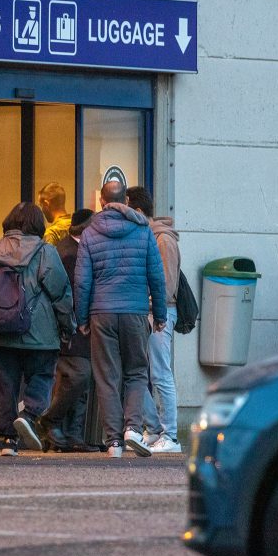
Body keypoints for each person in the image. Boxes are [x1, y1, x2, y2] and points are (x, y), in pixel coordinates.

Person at [75, 181, 167, 458]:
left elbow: (82, 281)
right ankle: (133, 430)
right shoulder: (143, 230)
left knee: (106, 377)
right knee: (137, 372)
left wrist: (82, 318)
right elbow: (156, 276)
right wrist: (160, 314)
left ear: (101, 202)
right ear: (125, 200)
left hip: (101, 312)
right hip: (136, 311)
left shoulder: (90, 233)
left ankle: (114, 441)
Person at [0, 202, 74, 456]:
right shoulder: (46, 252)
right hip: (38, 332)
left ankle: (9, 439)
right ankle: (29, 414)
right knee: (42, 375)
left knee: (2, 385)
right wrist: (68, 326)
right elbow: (60, 293)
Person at [126, 186, 182, 454]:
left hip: (160, 312)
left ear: (137, 211)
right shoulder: (150, 237)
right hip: (148, 312)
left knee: (160, 374)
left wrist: (152, 308)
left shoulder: (163, 240)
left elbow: (168, 285)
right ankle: (155, 429)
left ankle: (170, 434)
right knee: (143, 372)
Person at [38, 209, 98, 452]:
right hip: (72, 327)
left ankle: (70, 435)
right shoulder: (69, 254)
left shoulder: (71, 250)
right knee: (80, 375)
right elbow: (70, 294)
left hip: (74, 326)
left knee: (75, 380)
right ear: (86, 229)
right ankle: (50, 420)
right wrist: (73, 324)